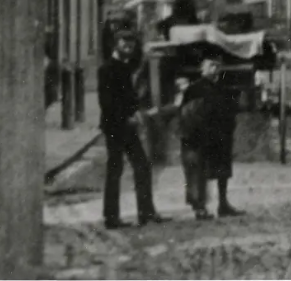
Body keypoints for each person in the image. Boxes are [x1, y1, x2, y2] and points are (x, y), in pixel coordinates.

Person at [97, 28, 165, 229]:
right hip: (114, 127)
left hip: (127, 126)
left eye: (132, 45)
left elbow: (130, 98)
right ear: (116, 45)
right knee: (115, 170)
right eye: (125, 45)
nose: (129, 48)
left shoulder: (125, 68)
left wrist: (137, 112)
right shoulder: (106, 69)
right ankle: (111, 217)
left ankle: (145, 213)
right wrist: (127, 117)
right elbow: (106, 102)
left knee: (142, 166)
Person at [177, 57, 242, 219]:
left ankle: (223, 203)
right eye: (211, 65)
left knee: (223, 169)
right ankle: (199, 207)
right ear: (202, 69)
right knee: (197, 171)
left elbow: (230, 109)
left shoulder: (223, 87)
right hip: (200, 134)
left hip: (220, 133)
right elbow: (187, 113)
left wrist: (229, 126)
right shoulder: (193, 89)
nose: (215, 68)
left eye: (217, 66)